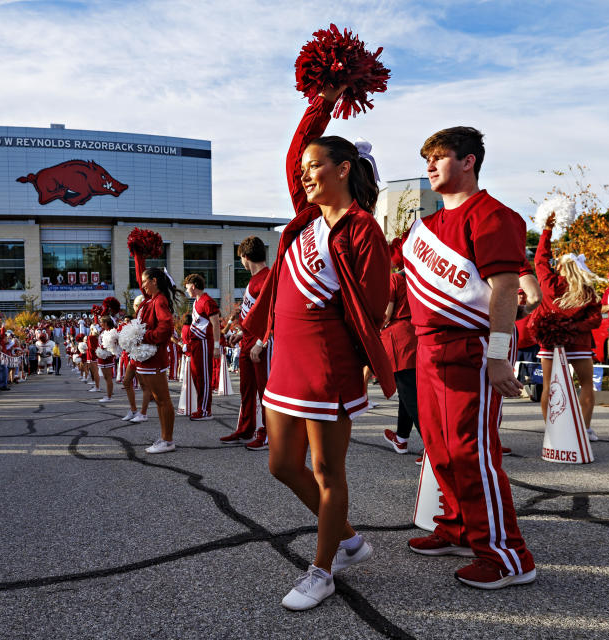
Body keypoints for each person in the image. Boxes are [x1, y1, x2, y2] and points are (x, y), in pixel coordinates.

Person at [241, 86, 396, 610]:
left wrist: (364, 364)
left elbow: (375, 307)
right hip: (286, 364)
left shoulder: (362, 229)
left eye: (315, 167)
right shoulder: (305, 220)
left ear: (344, 168)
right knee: (281, 464)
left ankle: (323, 569)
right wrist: (323, 101)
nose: (305, 174)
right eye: (304, 168)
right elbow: (294, 152)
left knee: (329, 472)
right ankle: (349, 539)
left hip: (329, 368)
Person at [390, 124, 536, 590]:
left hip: (472, 346)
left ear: (469, 161)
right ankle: (455, 527)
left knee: (471, 452)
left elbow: (506, 290)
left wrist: (497, 357)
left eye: (439, 156)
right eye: (426, 159)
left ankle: (507, 556)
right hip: (427, 348)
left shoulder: (494, 215)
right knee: (438, 449)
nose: (429, 166)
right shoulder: (426, 226)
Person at [534, 213, 603, 440]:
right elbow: (595, 320)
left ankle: (552, 429)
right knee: (585, 385)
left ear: (560, 267)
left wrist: (547, 230)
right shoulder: (588, 291)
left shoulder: (549, 283)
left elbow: (540, 259)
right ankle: (585, 429)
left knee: (548, 386)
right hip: (579, 343)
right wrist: (574, 328)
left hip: (550, 341)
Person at [222, 236, 272, 449]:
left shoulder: (267, 277)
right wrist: (241, 333)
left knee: (265, 391)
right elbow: (253, 314)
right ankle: (246, 428)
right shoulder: (253, 280)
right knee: (247, 389)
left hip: (261, 344)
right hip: (248, 341)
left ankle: (268, 434)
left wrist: (262, 341)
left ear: (245, 256)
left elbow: (273, 314)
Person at [138, 268, 178, 453]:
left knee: (163, 400)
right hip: (150, 357)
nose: (143, 285)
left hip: (155, 357)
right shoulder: (154, 299)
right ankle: (164, 437)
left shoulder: (159, 300)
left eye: (145, 281)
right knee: (159, 399)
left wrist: (145, 337)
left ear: (154, 281)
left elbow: (165, 328)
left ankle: (168, 440)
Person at [381, 270, 420, 456]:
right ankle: (402, 438)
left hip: (399, 338)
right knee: (408, 392)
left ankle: (434, 449)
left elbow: (385, 315)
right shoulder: (420, 276)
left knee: (412, 396)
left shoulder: (393, 279)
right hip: (418, 333)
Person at [183, 273, 219, 420]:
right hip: (196, 343)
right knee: (197, 376)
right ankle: (201, 407)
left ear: (193, 286)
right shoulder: (197, 301)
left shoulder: (207, 301)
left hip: (204, 342)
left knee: (203, 377)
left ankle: (205, 410)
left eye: (187, 288)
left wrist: (216, 345)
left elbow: (216, 323)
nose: (186, 291)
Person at [96, 315, 117, 403]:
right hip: (102, 356)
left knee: (108, 377)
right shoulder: (103, 331)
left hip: (107, 356)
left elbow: (110, 345)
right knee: (105, 377)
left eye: (101, 322)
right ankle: (108, 394)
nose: (100, 324)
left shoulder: (111, 332)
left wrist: (102, 347)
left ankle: (109, 396)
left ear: (106, 323)